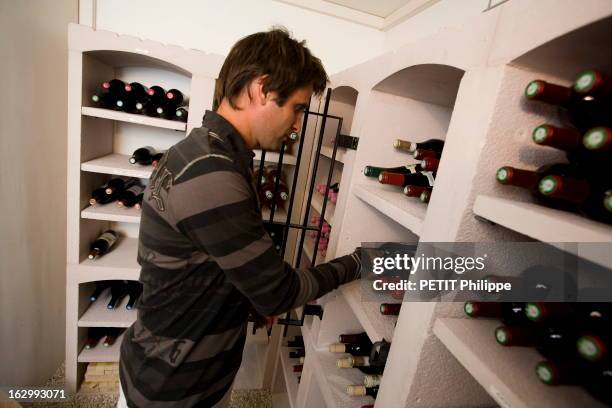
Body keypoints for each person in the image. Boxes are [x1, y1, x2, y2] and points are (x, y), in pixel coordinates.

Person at [117, 27, 361, 408]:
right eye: (297, 107)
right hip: (177, 388)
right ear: (261, 89)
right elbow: (279, 294)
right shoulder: (213, 173)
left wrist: (241, 302)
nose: (297, 125)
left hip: (162, 368)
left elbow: (198, 259)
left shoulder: (196, 153)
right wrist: (359, 263)